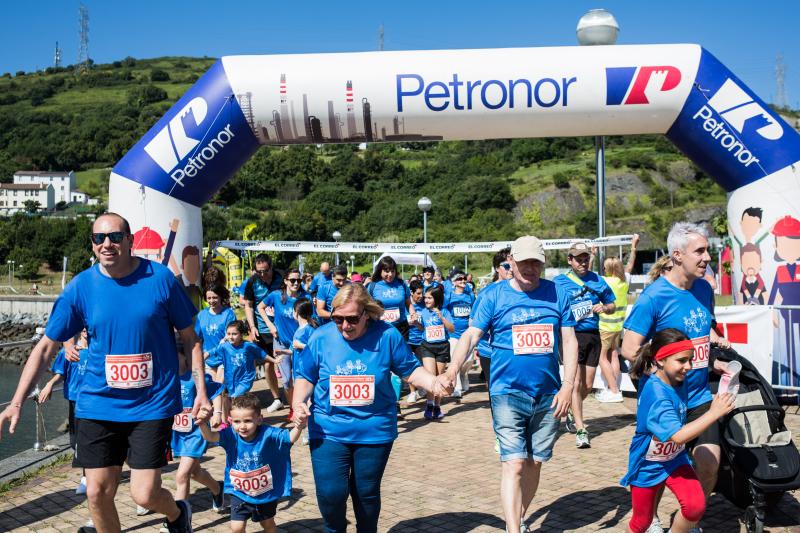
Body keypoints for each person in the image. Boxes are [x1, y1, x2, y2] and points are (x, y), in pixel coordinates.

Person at [0, 212, 209, 533]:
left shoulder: (160, 279)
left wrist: (203, 392)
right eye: (99, 238)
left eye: (114, 237)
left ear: (130, 241)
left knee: (145, 493)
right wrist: (15, 402)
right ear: (93, 244)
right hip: (98, 404)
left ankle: (178, 513)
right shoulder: (81, 287)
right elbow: (44, 347)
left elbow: (190, 338)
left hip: (150, 405)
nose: (106, 244)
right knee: (97, 492)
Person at [445, 236, 579, 532]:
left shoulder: (557, 293)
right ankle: (514, 529)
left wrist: (568, 385)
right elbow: (471, 335)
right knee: (514, 463)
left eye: (536, 262)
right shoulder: (493, 296)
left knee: (535, 462)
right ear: (511, 263)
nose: (530, 268)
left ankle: (515, 519)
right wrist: (454, 367)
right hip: (506, 392)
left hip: (548, 394)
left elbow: (569, 340)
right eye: (524, 262)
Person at [293, 283, 448, 533]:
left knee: (365, 493)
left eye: (352, 319)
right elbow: (305, 376)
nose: (345, 326)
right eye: (338, 319)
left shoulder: (387, 336)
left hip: (374, 430)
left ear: (367, 313)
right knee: (330, 493)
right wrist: (298, 402)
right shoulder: (320, 337)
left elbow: (410, 370)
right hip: (328, 429)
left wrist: (434, 382)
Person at [621, 222, 731, 533]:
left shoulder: (704, 289)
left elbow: (701, 331)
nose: (707, 257)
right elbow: (630, 349)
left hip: (698, 397)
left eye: (707, 249)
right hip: (666, 402)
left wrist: (712, 360)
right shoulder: (654, 297)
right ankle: (650, 519)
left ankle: (690, 520)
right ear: (677, 255)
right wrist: (665, 374)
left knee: (710, 463)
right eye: (700, 251)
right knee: (655, 469)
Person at [622, 328, 734, 533]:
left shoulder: (676, 380)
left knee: (695, 507)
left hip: (674, 459)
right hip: (647, 464)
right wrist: (713, 412)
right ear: (661, 360)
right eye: (681, 361)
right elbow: (679, 436)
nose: (688, 367)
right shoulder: (657, 394)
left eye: (690, 360)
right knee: (641, 523)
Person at [197, 393, 304, 533]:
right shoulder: (230, 434)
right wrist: (202, 424)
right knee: (237, 527)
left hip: (265, 492)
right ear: (230, 420)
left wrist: (299, 426)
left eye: (247, 421)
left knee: (268, 524)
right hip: (238, 491)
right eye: (236, 422)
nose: (242, 426)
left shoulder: (268, 433)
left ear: (259, 419)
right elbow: (210, 436)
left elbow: (289, 438)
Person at [553, 242, 616, 449]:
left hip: (592, 335)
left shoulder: (597, 280)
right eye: (578, 259)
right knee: (576, 382)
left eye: (586, 258)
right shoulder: (560, 282)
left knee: (587, 386)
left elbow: (612, 304)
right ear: (569, 260)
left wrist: (604, 307)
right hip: (570, 335)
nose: (583, 262)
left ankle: (572, 409)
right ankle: (581, 429)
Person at [170, 349, 226, 513]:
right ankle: (217, 489)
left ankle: (179, 520)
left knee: (182, 475)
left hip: (196, 432)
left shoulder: (195, 377)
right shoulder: (167, 377)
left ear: (184, 356)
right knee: (195, 472)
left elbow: (216, 390)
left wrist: (217, 413)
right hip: (178, 433)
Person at [38, 328, 90, 494]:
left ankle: (86, 478)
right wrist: (49, 384)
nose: (85, 330)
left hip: (92, 403)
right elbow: (60, 374)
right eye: (82, 327)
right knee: (74, 442)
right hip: (74, 401)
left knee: (86, 441)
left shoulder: (99, 350)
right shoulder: (68, 351)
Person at [259, 269, 310, 417]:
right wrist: (270, 325)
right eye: (292, 280)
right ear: (286, 281)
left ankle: (304, 409)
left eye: (298, 281)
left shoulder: (305, 297)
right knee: (287, 381)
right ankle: (293, 409)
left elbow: (312, 319)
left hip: (300, 345)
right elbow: (260, 307)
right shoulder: (276, 295)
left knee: (302, 378)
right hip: (281, 343)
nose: (296, 283)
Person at [243, 254, 284, 413]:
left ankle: (295, 394)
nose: (262, 274)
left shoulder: (281, 277)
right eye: (258, 271)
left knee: (290, 365)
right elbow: (248, 305)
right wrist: (252, 327)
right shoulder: (252, 281)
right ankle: (277, 398)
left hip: (283, 329)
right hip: (263, 330)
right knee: (268, 364)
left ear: (271, 267)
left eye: (265, 271)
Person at [206, 320, 270, 420]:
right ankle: (231, 420)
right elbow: (211, 352)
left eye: (234, 334)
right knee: (228, 397)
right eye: (228, 334)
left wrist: (274, 360)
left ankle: (243, 418)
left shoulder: (248, 346)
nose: (231, 336)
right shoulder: (225, 346)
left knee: (235, 397)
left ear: (241, 334)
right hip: (231, 380)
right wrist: (202, 357)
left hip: (246, 378)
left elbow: (262, 353)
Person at [414, 284, 455, 420]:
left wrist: (442, 318)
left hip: (442, 346)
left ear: (436, 298)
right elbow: (422, 329)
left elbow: (452, 329)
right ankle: (429, 404)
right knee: (430, 376)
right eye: (425, 298)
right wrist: (415, 324)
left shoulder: (445, 311)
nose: (426, 300)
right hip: (427, 346)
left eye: (429, 298)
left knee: (439, 377)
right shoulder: (423, 311)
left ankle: (437, 407)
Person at [476, 247, 513, 384]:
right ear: (497, 268)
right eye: (506, 266)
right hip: (490, 352)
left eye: (513, 265)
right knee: (498, 397)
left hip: (515, 353)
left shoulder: (523, 290)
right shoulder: (487, 293)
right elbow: (472, 323)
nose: (511, 269)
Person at [445, 270, 476, 397]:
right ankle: (456, 387)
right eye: (460, 279)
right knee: (455, 359)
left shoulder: (470, 296)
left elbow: (474, 311)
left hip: (467, 333)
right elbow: (445, 310)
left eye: (464, 279)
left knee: (469, 360)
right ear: (454, 282)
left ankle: (463, 374)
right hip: (454, 334)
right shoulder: (449, 296)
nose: (463, 281)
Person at [291, 298, 318, 444]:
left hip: (306, 371)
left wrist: (300, 345)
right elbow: (295, 349)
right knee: (303, 402)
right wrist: (284, 352)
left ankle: (309, 431)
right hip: (298, 370)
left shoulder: (309, 329)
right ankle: (307, 429)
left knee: (307, 402)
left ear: (296, 312)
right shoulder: (300, 329)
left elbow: (314, 348)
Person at [196, 284, 237, 376]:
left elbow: (230, 337)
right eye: (208, 298)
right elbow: (196, 338)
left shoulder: (228, 314)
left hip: (225, 357)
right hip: (208, 359)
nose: (211, 301)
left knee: (220, 387)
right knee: (214, 389)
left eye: (214, 297)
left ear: (221, 297)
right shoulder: (202, 315)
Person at [368, 256, 413, 339]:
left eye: (393, 271)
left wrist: (413, 313)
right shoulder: (372, 286)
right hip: (380, 327)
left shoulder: (402, 284)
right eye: (386, 271)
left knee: (401, 351)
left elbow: (409, 304)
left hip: (401, 328)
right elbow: (368, 306)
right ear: (380, 271)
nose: (390, 274)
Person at [405, 280, 426, 404]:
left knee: (421, 367)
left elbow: (424, 327)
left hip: (421, 341)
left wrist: (416, 323)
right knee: (409, 368)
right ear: (411, 293)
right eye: (418, 293)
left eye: (422, 293)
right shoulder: (405, 306)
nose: (421, 296)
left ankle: (422, 387)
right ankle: (412, 392)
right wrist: (407, 323)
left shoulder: (424, 306)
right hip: (407, 340)